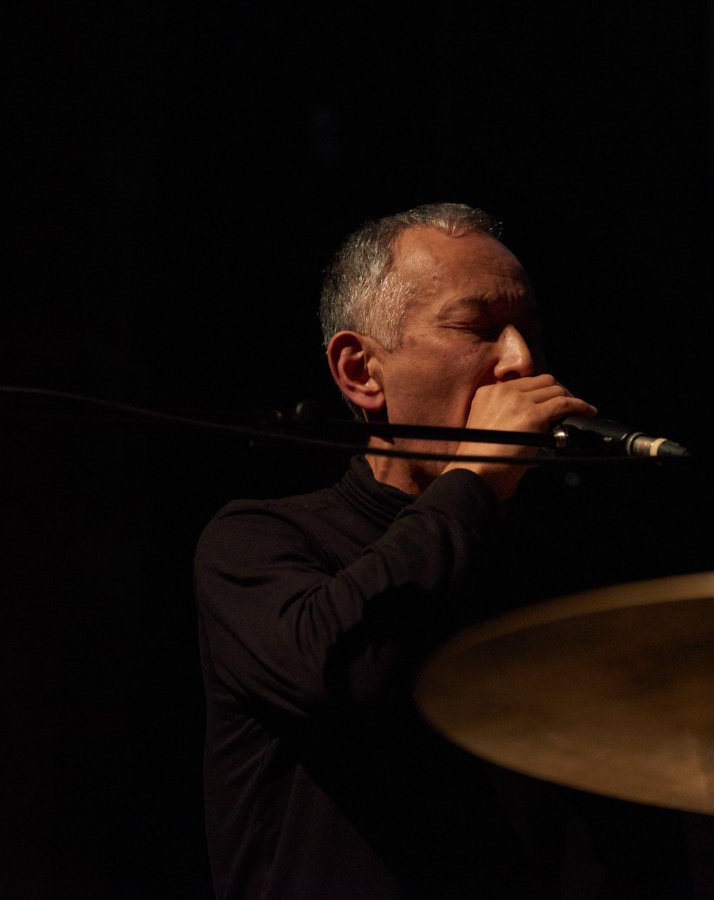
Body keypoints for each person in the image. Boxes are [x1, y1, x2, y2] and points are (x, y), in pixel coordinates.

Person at [193, 203, 601, 899]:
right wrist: (474, 479)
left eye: (530, 333)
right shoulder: (259, 540)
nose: (521, 362)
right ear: (361, 372)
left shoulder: (544, 563)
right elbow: (344, 673)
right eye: (478, 328)